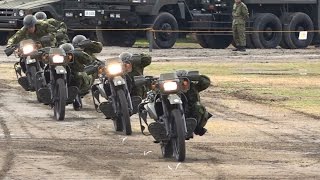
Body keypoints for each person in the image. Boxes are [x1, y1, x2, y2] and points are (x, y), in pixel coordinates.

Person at [176, 70, 212, 136]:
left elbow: (206, 81)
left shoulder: (193, 85)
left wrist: (192, 78)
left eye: (183, 80)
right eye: (179, 80)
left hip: (190, 110)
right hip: (175, 109)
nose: (182, 82)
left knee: (198, 107)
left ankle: (196, 128)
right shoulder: (170, 88)